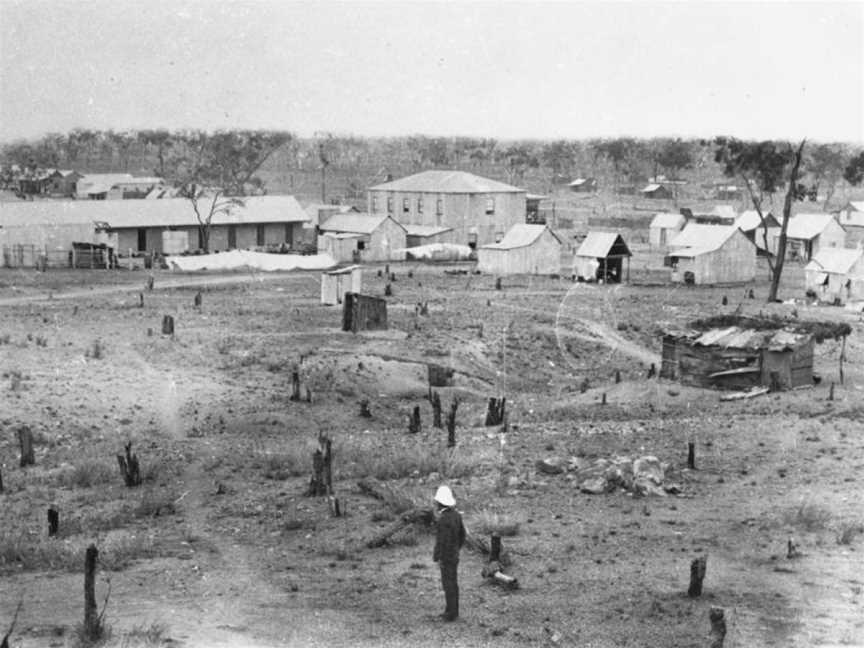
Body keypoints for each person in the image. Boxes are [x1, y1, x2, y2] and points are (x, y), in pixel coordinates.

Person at [432, 485, 466, 621]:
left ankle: (450, 613)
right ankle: (453, 610)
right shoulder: (457, 516)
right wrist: (456, 549)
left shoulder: (443, 520)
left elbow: (441, 541)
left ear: (440, 503)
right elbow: (462, 535)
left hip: (446, 557)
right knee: (453, 583)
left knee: (448, 584)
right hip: (454, 555)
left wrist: (438, 557)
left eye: (437, 502)